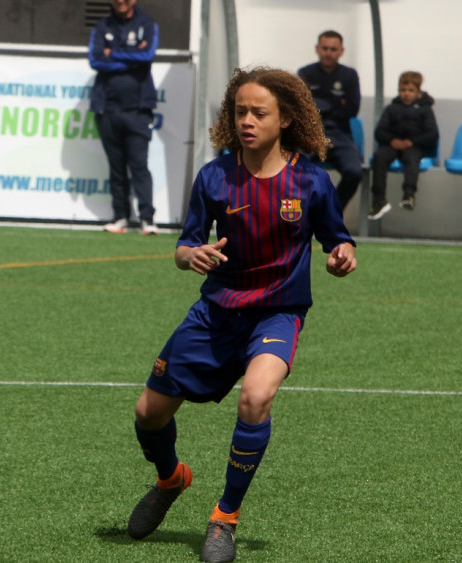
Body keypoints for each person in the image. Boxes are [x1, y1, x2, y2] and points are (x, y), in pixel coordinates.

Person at [124, 67, 356, 563]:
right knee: (148, 414)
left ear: (286, 118)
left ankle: (225, 517)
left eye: (259, 112)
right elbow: (185, 245)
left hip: (278, 313)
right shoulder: (214, 177)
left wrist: (341, 255)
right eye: (239, 111)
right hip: (215, 312)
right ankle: (171, 479)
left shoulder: (311, 181)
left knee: (256, 397)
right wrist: (193, 255)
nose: (247, 120)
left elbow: (337, 238)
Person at [88, 0, 159, 235]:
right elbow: (96, 59)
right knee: (116, 167)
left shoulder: (147, 24)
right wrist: (131, 58)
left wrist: (114, 54)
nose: (120, 1)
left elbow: (147, 55)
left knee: (139, 166)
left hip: (138, 110)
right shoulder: (101, 27)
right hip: (107, 109)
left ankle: (147, 219)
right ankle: (120, 217)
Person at [298, 30, 362, 212]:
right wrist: (335, 103)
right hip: (310, 133)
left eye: (333, 49)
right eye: (325, 48)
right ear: (317, 49)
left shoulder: (349, 75)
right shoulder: (305, 73)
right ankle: (299, 215)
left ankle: (331, 213)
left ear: (341, 51)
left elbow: (352, 109)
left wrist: (319, 104)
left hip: (340, 134)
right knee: (293, 170)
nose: (328, 53)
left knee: (354, 172)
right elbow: (302, 108)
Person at [367, 71, 438, 220]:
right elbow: (379, 132)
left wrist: (412, 142)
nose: (406, 94)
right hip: (393, 145)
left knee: (411, 159)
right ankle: (379, 200)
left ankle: (409, 195)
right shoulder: (391, 109)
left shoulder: (425, 110)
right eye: (403, 90)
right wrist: (392, 140)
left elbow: (432, 134)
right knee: (379, 156)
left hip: (414, 146)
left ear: (418, 92)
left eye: (410, 90)